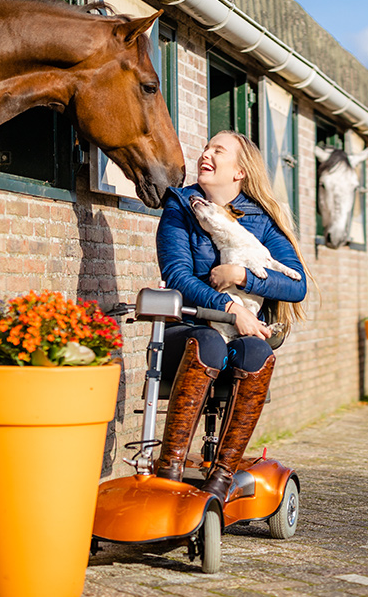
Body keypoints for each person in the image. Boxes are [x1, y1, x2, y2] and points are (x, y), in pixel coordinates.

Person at [154, 130, 310, 501]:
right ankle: (170, 469)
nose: (205, 154)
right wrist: (230, 307)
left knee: (257, 352)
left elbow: (296, 285)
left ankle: (222, 478)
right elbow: (177, 275)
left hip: (240, 341)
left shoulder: (261, 219)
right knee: (206, 339)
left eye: (217, 151)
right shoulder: (180, 205)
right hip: (187, 329)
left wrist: (242, 276)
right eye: (207, 148)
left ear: (239, 172)